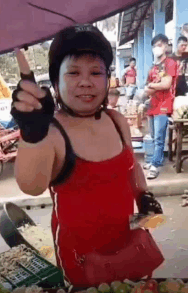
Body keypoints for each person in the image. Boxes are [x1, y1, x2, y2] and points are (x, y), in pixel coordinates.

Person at [11, 24, 162, 286]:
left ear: (107, 79)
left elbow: (132, 170)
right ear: (56, 81)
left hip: (131, 247)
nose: (85, 81)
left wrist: (145, 201)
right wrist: (32, 134)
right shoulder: (52, 132)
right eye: (73, 72)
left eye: (96, 72)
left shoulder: (116, 121)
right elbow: (30, 186)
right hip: (82, 261)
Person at [143, 34, 178, 179]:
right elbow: (146, 87)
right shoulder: (153, 67)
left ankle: (155, 165)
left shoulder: (170, 63)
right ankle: (154, 160)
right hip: (153, 104)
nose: (157, 48)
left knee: (159, 137)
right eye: (155, 46)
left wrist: (151, 86)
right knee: (152, 135)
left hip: (164, 104)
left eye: (160, 45)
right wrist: (150, 87)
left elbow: (166, 84)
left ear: (165, 46)